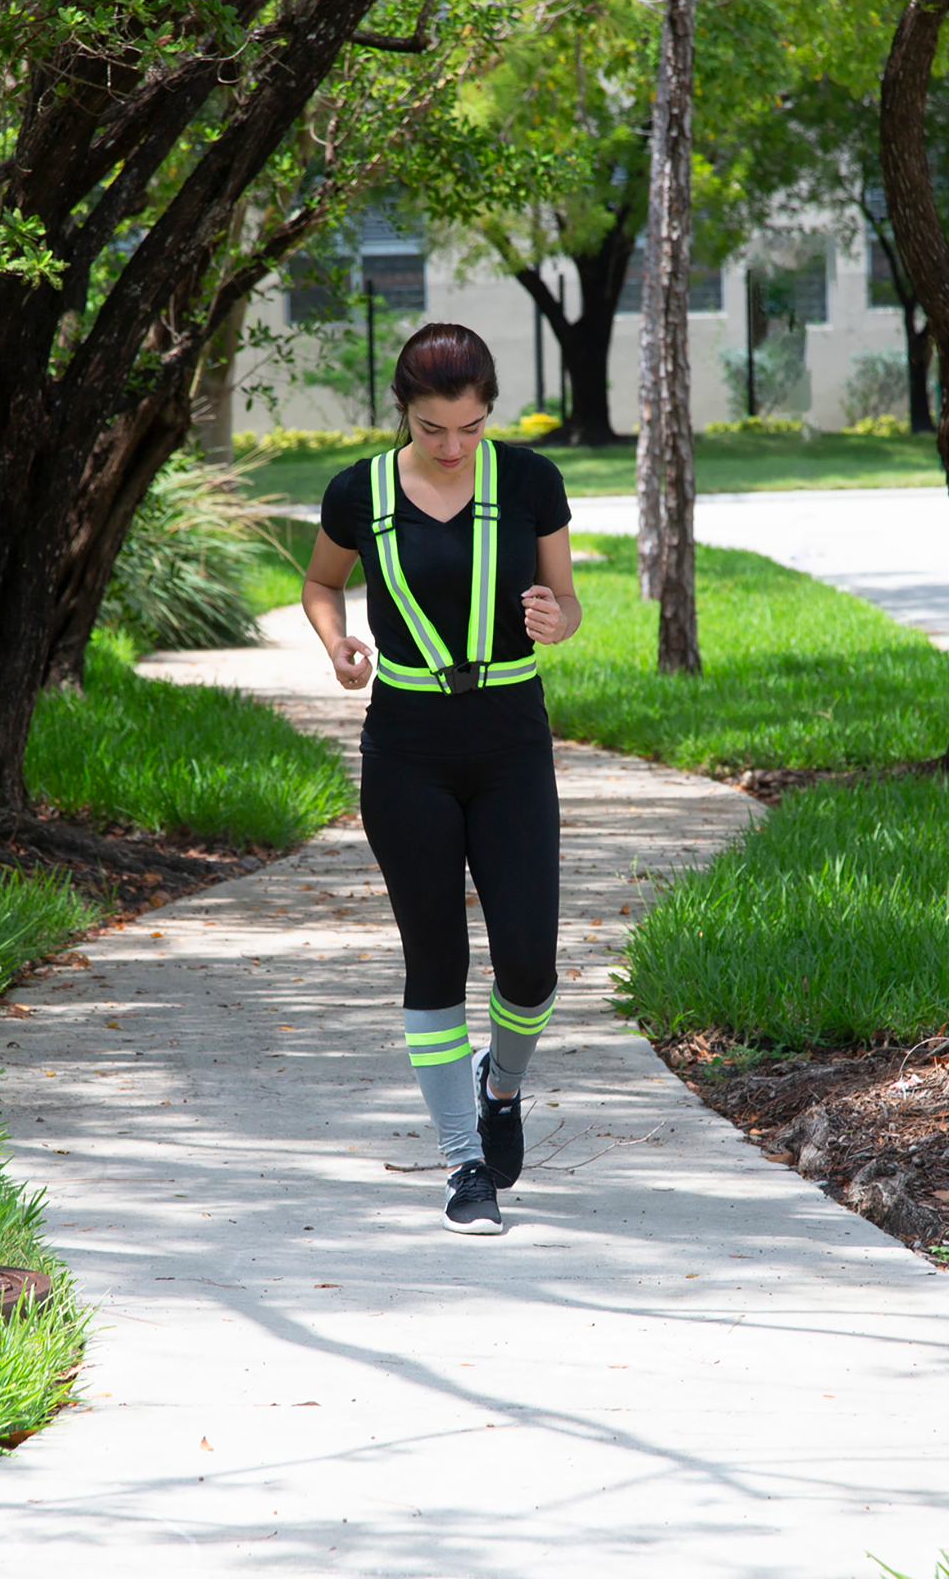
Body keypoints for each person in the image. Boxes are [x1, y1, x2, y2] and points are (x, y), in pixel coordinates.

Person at [301, 323, 581, 1235]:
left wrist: (555, 617)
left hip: (509, 739)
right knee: (437, 959)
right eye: (432, 430)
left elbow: (566, 601)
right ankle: (465, 1165)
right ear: (404, 415)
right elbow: (320, 584)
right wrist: (336, 642)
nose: (453, 448)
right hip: (407, 745)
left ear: (488, 412)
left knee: (531, 967)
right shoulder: (361, 493)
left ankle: (499, 1088)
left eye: (470, 427)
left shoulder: (531, 482)